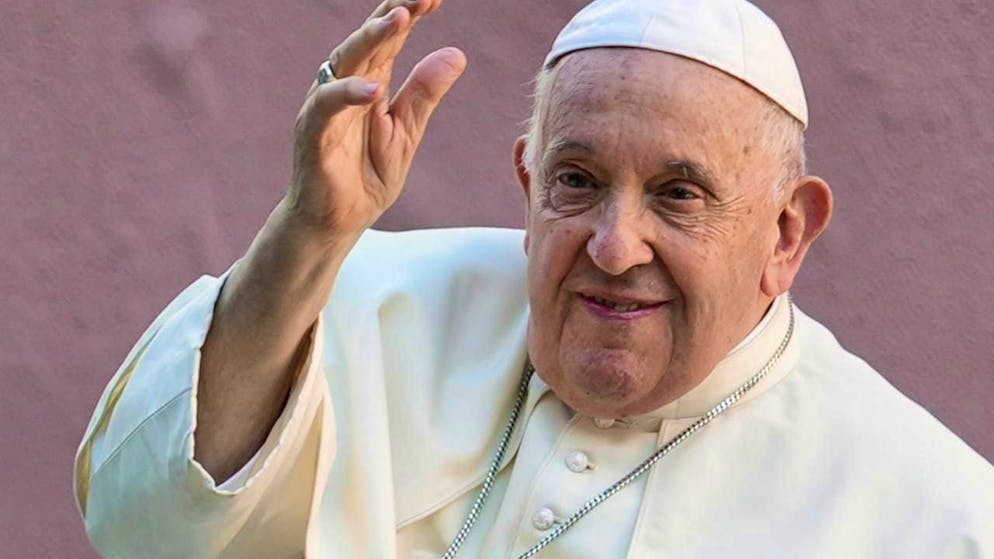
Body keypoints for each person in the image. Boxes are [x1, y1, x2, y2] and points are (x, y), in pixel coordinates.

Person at [74, 0, 994, 557]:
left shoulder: (935, 515)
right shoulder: (363, 297)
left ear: (786, 232)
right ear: (526, 182)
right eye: (577, 182)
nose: (612, 244)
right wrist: (309, 235)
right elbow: (141, 528)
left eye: (677, 195)